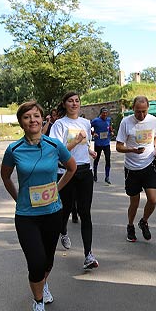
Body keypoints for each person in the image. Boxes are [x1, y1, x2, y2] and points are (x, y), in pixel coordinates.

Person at [1, 101, 76, 311]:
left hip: (53, 212)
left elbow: (71, 167)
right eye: (27, 117)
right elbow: (6, 177)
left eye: (36, 116)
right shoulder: (13, 150)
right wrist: (18, 198)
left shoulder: (54, 145)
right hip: (26, 216)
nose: (32, 120)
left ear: (43, 119)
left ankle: (43, 284)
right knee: (35, 261)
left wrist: (57, 189)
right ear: (21, 122)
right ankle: (38, 302)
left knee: (48, 260)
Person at [50, 91, 99, 270]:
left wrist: (89, 151)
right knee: (66, 209)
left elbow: (86, 143)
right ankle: (63, 230)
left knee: (85, 212)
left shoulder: (86, 123)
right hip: (65, 171)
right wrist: (75, 141)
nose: (74, 103)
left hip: (85, 170)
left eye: (77, 101)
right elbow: (58, 151)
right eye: (70, 101)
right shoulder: (59, 124)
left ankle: (88, 254)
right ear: (64, 104)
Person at [116, 96, 156, 242]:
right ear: (132, 109)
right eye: (137, 112)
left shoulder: (153, 121)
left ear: (148, 109)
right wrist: (132, 150)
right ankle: (130, 225)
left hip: (149, 165)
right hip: (132, 168)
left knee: (153, 200)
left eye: (144, 112)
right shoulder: (126, 122)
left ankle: (144, 221)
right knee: (134, 202)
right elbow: (118, 146)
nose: (141, 115)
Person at [91, 107, 114, 184]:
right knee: (96, 159)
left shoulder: (108, 119)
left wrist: (111, 131)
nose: (104, 114)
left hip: (106, 143)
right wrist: (93, 133)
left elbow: (109, 127)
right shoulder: (96, 121)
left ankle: (107, 177)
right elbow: (89, 127)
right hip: (98, 143)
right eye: (103, 113)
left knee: (108, 159)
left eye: (106, 113)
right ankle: (95, 175)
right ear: (100, 113)